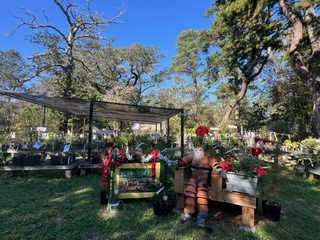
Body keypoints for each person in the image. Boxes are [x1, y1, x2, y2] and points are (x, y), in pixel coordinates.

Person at [175, 126, 223, 232]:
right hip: (193, 177)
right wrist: (179, 162)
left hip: (203, 180)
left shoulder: (208, 156)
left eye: (199, 144)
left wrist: (218, 169)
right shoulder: (193, 154)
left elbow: (214, 163)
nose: (198, 146)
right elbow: (185, 159)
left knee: (201, 192)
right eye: (196, 144)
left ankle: (201, 218)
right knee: (191, 189)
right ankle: (188, 213)